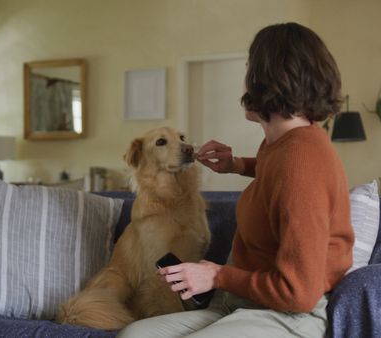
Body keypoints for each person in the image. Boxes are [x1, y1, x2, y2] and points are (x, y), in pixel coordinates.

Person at [117, 22, 354, 338]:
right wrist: (237, 165)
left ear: (270, 79)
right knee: (134, 335)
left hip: (287, 315)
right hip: (242, 303)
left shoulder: (302, 158)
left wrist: (218, 276)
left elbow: (299, 293)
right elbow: (277, 174)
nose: (245, 82)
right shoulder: (281, 143)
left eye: (250, 69)